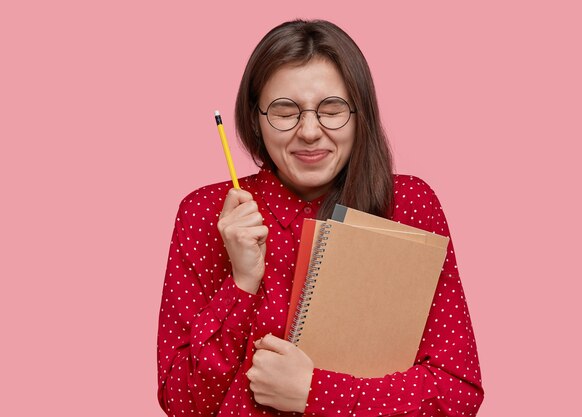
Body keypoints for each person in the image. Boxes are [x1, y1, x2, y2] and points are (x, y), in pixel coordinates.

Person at [157, 19, 484, 417]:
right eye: (284, 111)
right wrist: (241, 284)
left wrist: (314, 392)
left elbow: (456, 393)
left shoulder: (410, 205)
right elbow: (182, 404)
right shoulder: (206, 212)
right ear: (255, 118)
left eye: (331, 109)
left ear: (359, 113)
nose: (309, 131)